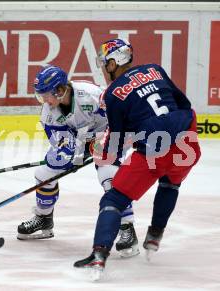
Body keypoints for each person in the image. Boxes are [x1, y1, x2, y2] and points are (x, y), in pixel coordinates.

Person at [74, 39, 201, 277]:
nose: (103, 68)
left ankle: (99, 255)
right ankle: (154, 235)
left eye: (104, 63)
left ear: (113, 63)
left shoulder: (112, 94)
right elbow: (183, 104)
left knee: (114, 199)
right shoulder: (155, 69)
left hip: (155, 151)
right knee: (171, 183)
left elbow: (117, 142)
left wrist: (100, 154)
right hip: (188, 143)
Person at [17, 65, 140, 258]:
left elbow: (119, 117)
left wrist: (100, 144)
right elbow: (61, 142)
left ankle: (127, 228)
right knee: (44, 174)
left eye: (46, 96)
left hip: (108, 133)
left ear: (59, 90)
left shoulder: (92, 95)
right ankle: (44, 218)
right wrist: (70, 154)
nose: (45, 102)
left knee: (108, 175)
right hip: (79, 138)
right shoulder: (49, 113)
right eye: (40, 97)